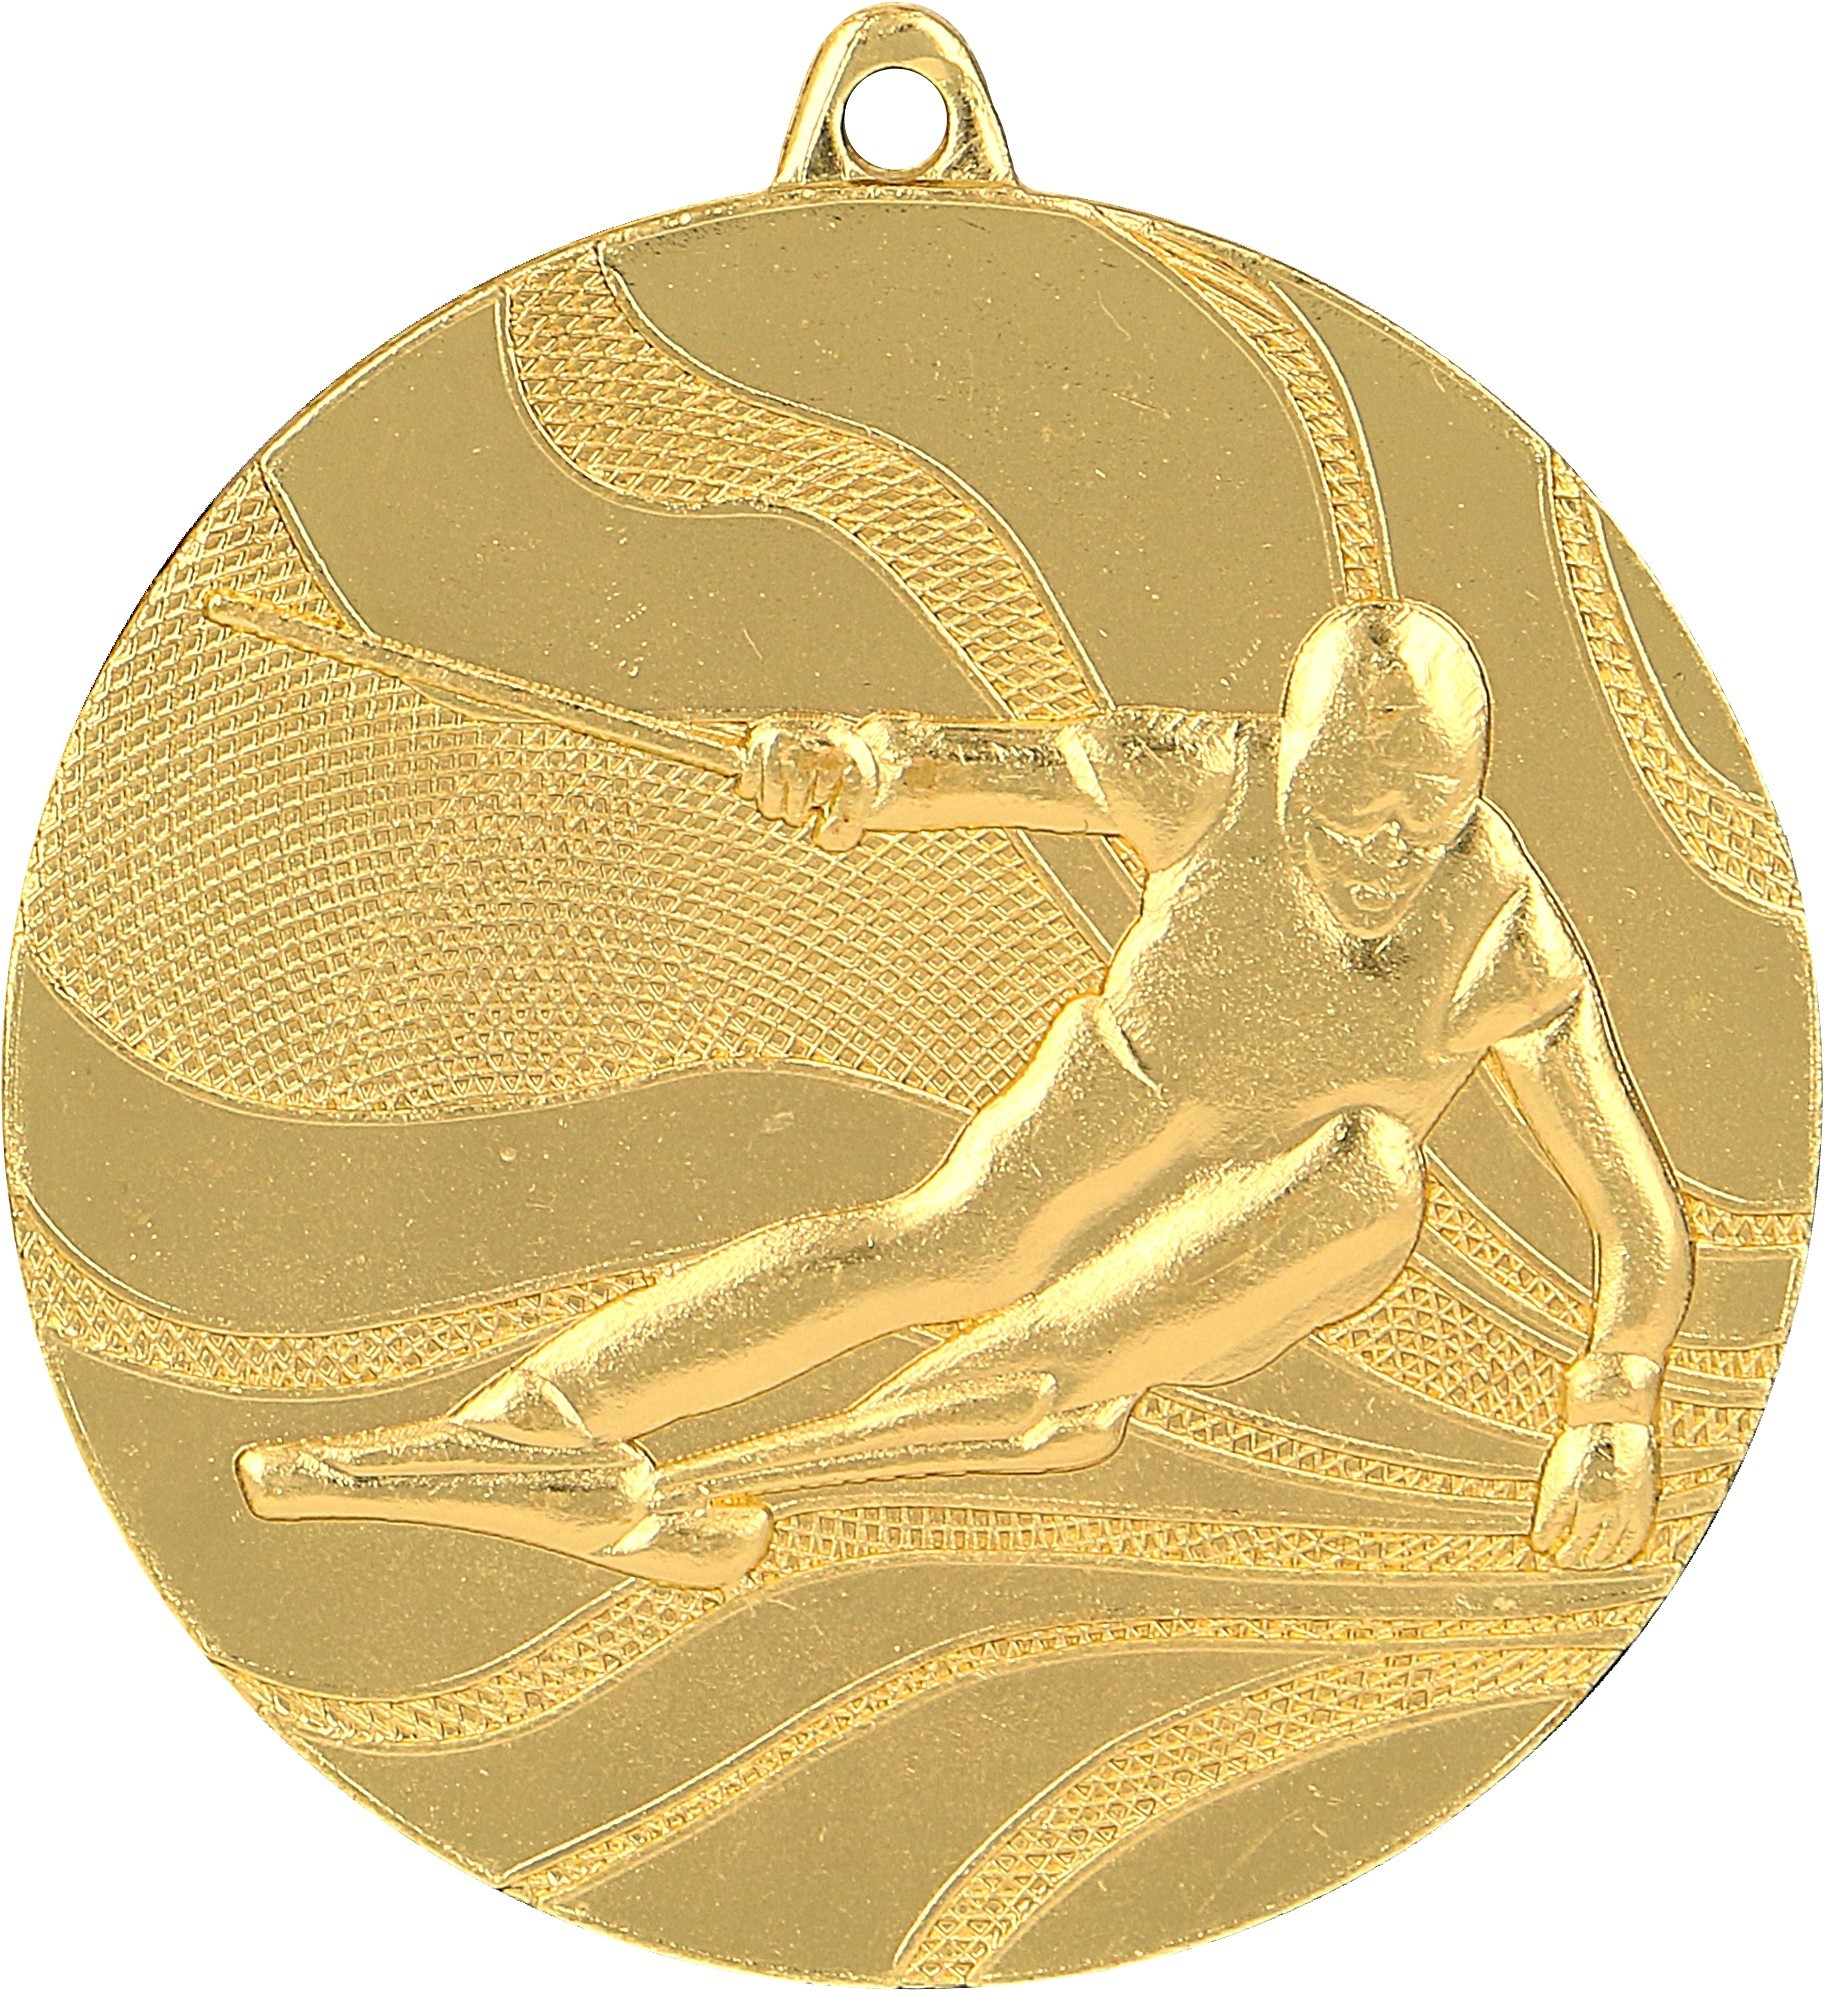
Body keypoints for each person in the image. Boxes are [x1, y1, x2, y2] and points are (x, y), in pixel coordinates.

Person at [238, 600, 1691, 1588]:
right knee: (947, 1246)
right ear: (1290, 763)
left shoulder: (1501, 933)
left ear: (1471, 794)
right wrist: (852, 763)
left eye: (1420, 825)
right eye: (1345, 814)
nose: (1380, 861)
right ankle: (526, 1427)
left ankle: (724, 1484)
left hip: (1269, 1219)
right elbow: (1003, 765)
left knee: (1359, 1173)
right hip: (1120, 1103)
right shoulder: (1209, 774)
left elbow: (1632, 1211)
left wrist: (1612, 1408)